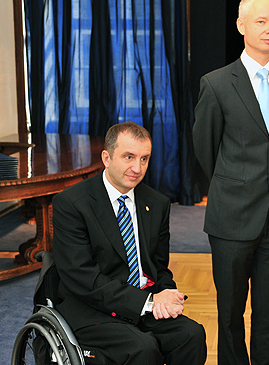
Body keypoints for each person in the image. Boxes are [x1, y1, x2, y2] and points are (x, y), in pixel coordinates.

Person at [193, 0, 269, 364]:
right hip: (232, 216)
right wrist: (236, 182)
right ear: (242, 25)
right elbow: (205, 149)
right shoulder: (216, 83)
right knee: (230, 314)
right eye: (261, 21)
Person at [52, 121, 207, 365]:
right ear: (106, 158)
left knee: (191, 335)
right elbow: (82, 278)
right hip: (91, 306)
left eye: (144, 159)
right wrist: (146, 302)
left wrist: (167, 293)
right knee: (142, 349)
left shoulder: (157, 203)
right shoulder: (72, 204)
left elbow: (158, 266)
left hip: (142, 301)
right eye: (129, 157)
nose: (137, 168)